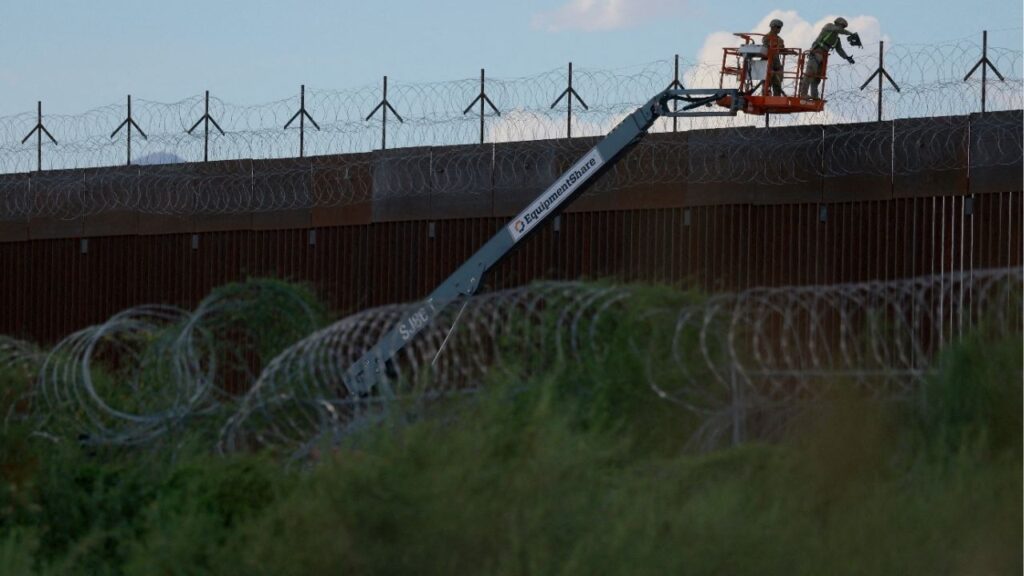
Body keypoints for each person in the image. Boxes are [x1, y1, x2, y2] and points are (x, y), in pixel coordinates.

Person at [799, 17, 856, 101]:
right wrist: (851, 34)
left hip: (824, 56)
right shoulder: (829, 26)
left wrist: (847, 57)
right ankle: (803, 94)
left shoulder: (836, 38)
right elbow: (838, 29)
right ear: (837, 23)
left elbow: (839, 49)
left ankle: (814, 96)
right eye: (842, 26)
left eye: (844, 27)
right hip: (816, 53)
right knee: (810, 73)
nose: (842, 28)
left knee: (817, 77)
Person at [762, 19, 786, 96]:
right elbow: (766, 48)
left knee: (777, 84)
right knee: (766, 83)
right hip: (767, 62)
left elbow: (782, 49)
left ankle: (776, 97)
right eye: (778, 27)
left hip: (776, 64)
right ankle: (766, 94)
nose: (779, 29)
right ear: (772, 27)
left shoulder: (780, 40)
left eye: (780, 27)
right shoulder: (766, 38)